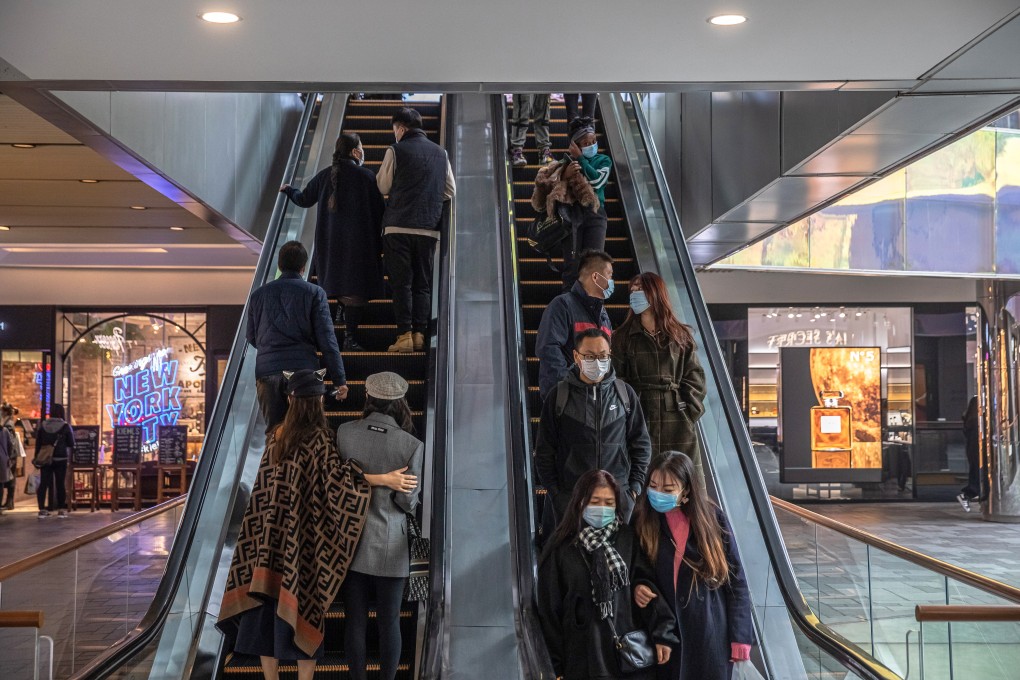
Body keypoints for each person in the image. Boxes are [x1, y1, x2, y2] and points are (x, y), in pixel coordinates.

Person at [217, 369, 372, 680]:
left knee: (262, 616)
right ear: (318, 403)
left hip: (267, 542)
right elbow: (337, 487)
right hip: (304, 545)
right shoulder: (322, 441)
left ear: (290, 399)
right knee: (306, 609)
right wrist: (367, 476)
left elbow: (261, 491)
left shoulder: (275, 438)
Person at [537, 469, 677, 680]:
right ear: (580, 502)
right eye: (595, 501)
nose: (602, 508)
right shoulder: (561, 548)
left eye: (609, 503)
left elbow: (646, 582)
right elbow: (550, 611)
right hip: (582, 659)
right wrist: (555, 665)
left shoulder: (627, 538)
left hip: (627, 656)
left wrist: (662, 634)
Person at [632, 452, 755, 680]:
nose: (658, 494)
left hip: (709, 633)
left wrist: (740, 639)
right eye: (653, 485)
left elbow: (736, 581)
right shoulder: (642, 521)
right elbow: (637, 570)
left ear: (686, 490)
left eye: (668, 489)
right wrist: (639, 586)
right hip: (664, 636)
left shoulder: (711, 518)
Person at [337, 372, 424, 680]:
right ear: (401, 403)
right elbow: (407, 502)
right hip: (392, 545)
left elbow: (337, 484)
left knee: (355, 621)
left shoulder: (345, 433)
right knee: (390, 622)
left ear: (368, 398)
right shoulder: (411, 445)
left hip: (350, 543)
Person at [535, 328, 652, 525]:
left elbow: (641, 444)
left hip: (618, 500)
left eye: (602, 356)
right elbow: (544, 451)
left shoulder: (625, 394)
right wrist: (556, 494)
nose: (597, 362)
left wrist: (633, 489)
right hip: (571, 501)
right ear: (576, 356)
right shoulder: (559, 396)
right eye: (589, 356)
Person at [281, 133, 386, 351]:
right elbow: (380, 212)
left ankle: (340, 313)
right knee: (356, 290)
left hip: (329, 245)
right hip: (358, 245)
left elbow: (303, 199)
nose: (363, 151)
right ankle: (350, 337)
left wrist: (289, 190)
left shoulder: (324, 176)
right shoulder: (367, 177)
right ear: (355, 152)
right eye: (361, 147)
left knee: (339, 281)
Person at [247, 240, 348, 434]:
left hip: (267, 373)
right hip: (304, 374)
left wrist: (271, 351)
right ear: (303, 268)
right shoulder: (314, 293)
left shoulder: (258, 295)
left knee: (274, 432)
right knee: (307, 431)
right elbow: (327, 340)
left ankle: (275, 463)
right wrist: (339, 380)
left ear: (279, 265)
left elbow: (251, 336)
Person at [377, 107, 456, 353]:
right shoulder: (440, 153)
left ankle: (404, 336)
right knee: (422, 283)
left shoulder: (395, 149)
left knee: (402, 284)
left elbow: (383, 185)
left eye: (395, 130)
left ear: (400, 128)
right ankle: (421, 334)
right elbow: (450, 190)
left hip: (398, 227)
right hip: (428, 229)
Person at [612, 273, 707, 473]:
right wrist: (627, 413)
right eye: (633, 290)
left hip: (677, 418)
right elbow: (617, 380)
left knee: (683, 479)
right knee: (642, 476)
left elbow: (695, 377)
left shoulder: (680, 335)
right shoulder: (622, 336)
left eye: (640, 289)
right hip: (640, 415)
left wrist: (689, 411)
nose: (634, 293)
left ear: (656, 293)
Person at [533, 116, 611, 289]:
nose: (591, 145)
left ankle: (594, 309)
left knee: (595, 264)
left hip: (595, 214)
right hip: (571, 216)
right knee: (573, 265)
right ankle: (570, 309)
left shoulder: (603, 161)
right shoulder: (565, 164)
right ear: (575, 145)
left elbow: (598, 182)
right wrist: (565, 176)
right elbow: (548, 191)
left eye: (593, 141)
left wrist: (581, 160)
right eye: (585, 142)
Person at [535, 250, 615, 400]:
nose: (612, 280)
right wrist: (566, 389)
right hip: (567, 398)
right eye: (609, 274)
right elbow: (548, 349)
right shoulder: (562, 306)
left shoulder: (603, 314)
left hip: (598, 399)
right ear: (596, 276)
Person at [34, 403, 74, 518]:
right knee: (60, 483)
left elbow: (38, 443)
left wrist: (37, 457)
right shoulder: (66, 426)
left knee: (44, 483)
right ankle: (61, 509)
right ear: (62, 413)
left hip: (46, 458)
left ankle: (42, 509)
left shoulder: (43, 425)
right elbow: (71, 443)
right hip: (61, 458)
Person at [510, 93, 554, 167]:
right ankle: (517, 151)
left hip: (543, 82)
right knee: (521, 114)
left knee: (543, 118)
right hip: (524, 83)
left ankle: (544, 152)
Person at [958, 395, 980, 512]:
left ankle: (969, 495)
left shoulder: (970, 420)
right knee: (978, 473)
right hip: (977, 450)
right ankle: (968, 494)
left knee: (976, 471)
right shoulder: (977, 421)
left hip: (973, 450)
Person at [1, 402, 22, 510]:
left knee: (9, 478)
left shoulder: (8, 424)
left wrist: (10, 456)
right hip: (10, 454)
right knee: (9, 477)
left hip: (9, 455)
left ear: (4, 412)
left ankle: (9, 501)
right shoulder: (9, 422)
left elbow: (10, 442)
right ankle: (9, 502)